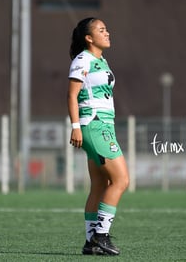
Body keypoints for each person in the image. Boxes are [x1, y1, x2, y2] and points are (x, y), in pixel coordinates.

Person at [67, 17, 129, 256]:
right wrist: (75, 126)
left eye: (107, 29)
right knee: (121, 181)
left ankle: (90, 242)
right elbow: (72, 95)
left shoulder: (100, 60)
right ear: (88, 38)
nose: (107, 32)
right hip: (94, 124)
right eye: (101, 30)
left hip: (103, 125)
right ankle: (100, 237)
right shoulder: (83, 59)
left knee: (100, 185)